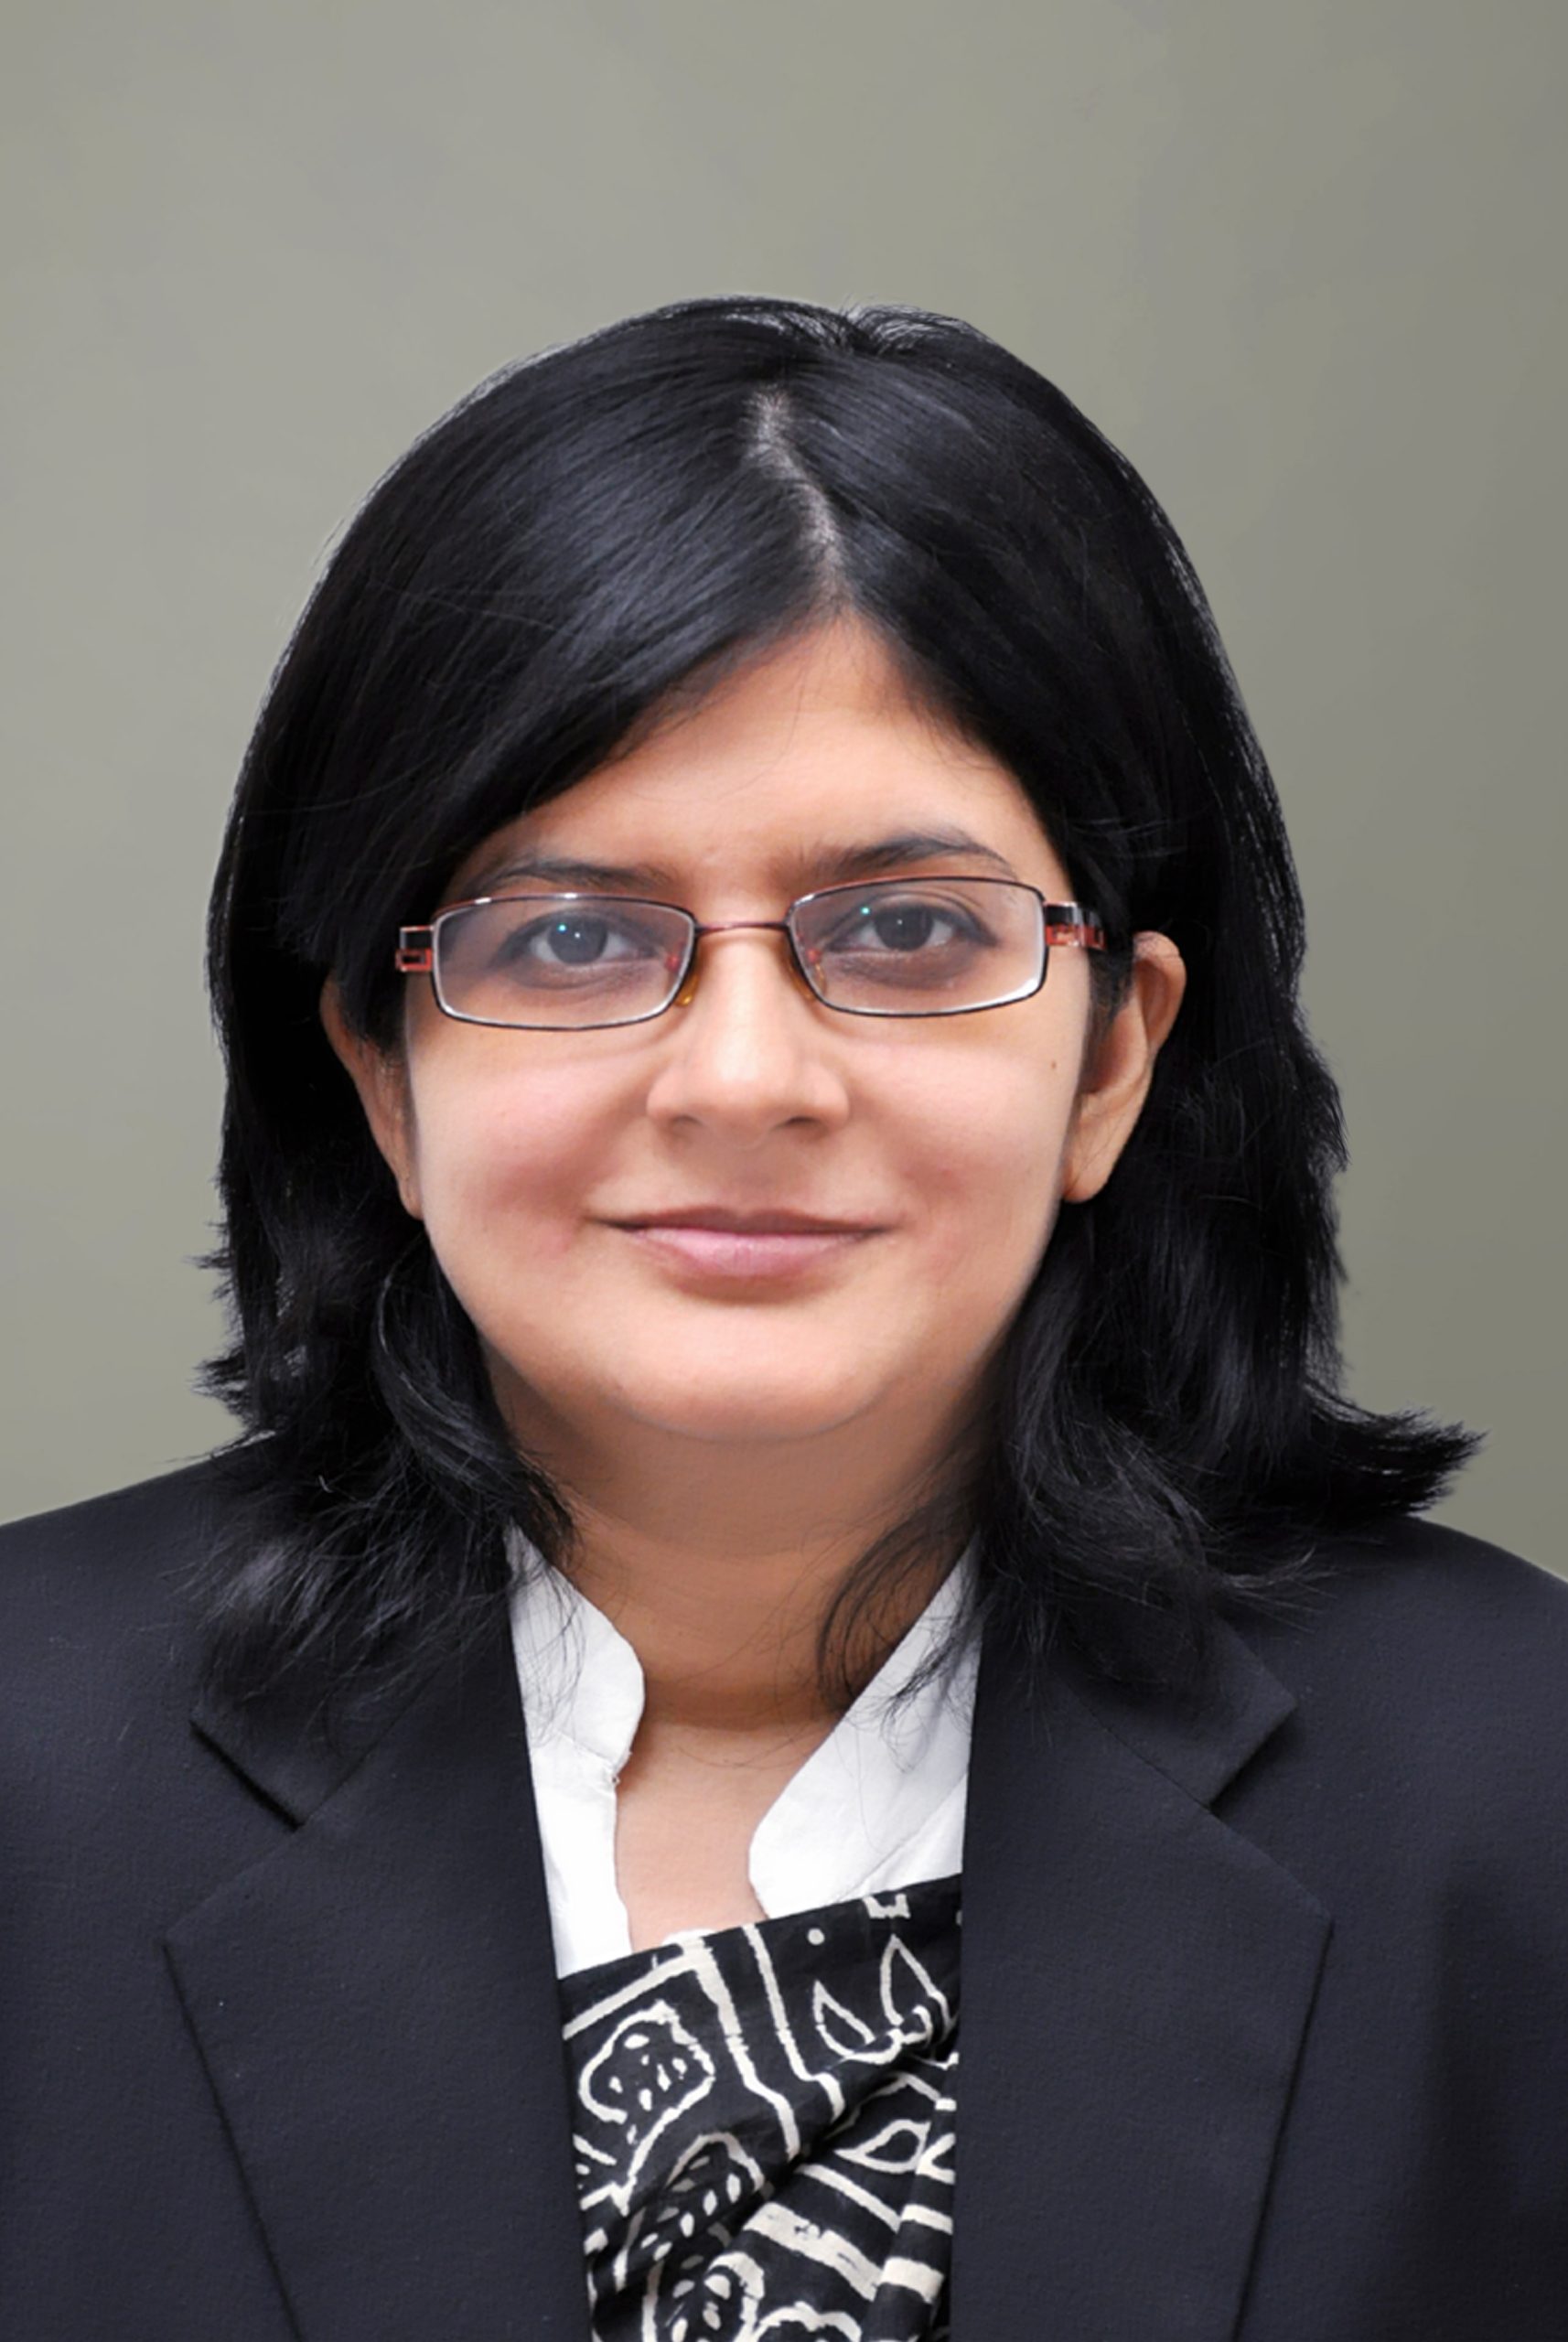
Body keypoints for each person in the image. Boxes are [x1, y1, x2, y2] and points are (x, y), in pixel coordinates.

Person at [1, 295, 1563, 2342]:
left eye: (904, 928)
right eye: (570, 935)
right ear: (383, 1075)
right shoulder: (25, 1768)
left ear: (1111, 1057)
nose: (743, 1078)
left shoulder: (1518, 1788)